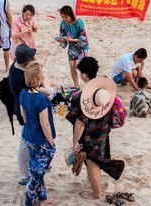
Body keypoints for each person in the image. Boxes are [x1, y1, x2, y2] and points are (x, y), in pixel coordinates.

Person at [66, 60, 124, 200]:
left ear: (85, 75)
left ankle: (96, 194)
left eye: (81, 73)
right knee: (98, 160)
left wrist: (75, 142)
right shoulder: (105, 91)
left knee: (92, 162)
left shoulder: (80, 97)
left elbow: (79, 123)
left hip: (88, 135)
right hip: (103, 132)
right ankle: (98, 183)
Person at [9, 44, 54, 186]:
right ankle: (23, 175)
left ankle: (41, 163)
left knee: (35, 138)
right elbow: (32, 92)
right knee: (25, 142)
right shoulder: (18, 76)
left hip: (28, 106)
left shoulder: (23, 68)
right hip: (27, 110)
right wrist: (46, 91)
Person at [19, 61, 57, 206]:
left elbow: (23, 116)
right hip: (41, 140)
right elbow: (45, 124)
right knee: (36, 174)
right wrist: (51, 143)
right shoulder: (42, 100)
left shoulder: (23, 93)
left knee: (35, 170)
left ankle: (42, 199)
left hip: (28, 135)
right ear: (39, 77)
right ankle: (28, 202)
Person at [54, 5, 88, 88]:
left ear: (70, 14)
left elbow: (83, 38)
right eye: (62, 17)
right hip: (72, 47)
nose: (64, 19)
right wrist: (62, 40)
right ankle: (76, 85)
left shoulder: (78, 22)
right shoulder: (62, 23)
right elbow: (62, 36)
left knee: (78, 65)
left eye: (66, 17)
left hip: (81, 47)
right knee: (72, 66)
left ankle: (88, 82)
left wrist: (71, 40)